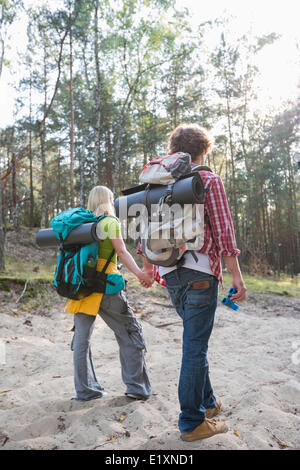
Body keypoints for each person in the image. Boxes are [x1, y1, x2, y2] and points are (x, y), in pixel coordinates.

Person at [139, 123, 247, 441]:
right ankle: (191, 421)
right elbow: (224, 234)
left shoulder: (157, 184)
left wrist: (150, 269)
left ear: (173, 151)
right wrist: (237, 278)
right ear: (204, 151)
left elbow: (142, 231)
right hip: (201, 272)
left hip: (170, 272)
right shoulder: (208, 179)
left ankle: (209, 403)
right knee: (195, 346)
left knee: (193, 342)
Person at [64, 185, 153, 402]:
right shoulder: (110, 222)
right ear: (109, 201)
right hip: (106, 286)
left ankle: (86, 391)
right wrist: (140, 272)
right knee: (130, 332)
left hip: (82, 287)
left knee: (81, 340)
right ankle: (136, 387)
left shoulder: (81, 225)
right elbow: (121, 251)